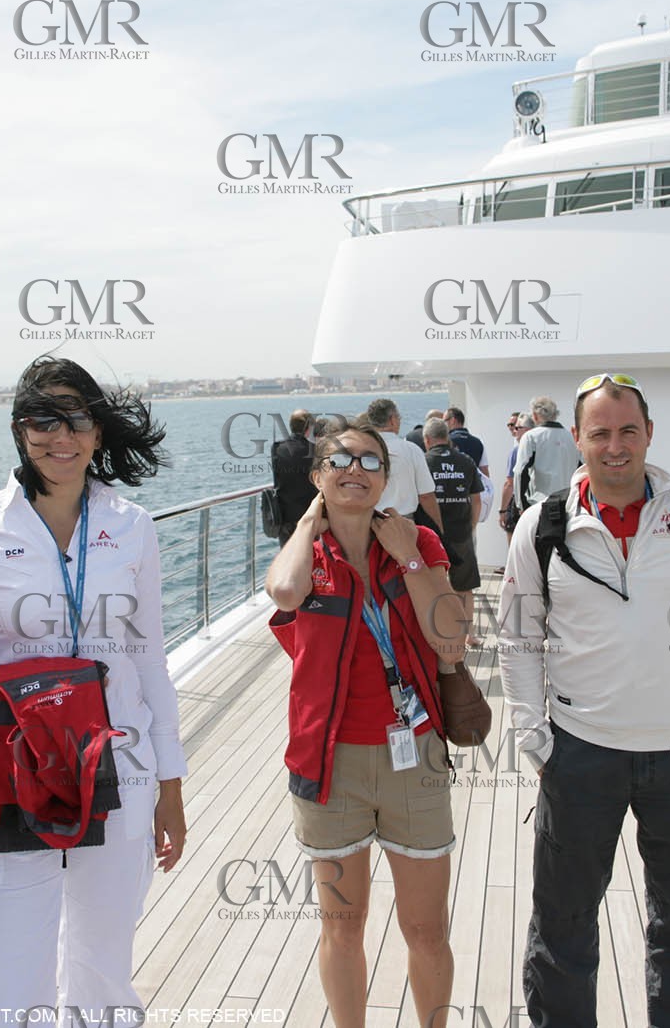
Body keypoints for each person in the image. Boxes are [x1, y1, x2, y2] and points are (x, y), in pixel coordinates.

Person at [0, 356, 188, 1023]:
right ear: (18, 428)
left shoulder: (133, 526)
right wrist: (24, 703)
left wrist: (172, 788)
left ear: (97, 431)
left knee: (102, 972)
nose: (60, 435)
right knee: (7, 976)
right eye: (44, 419)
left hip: (119, 772)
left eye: (77, 419)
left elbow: (150, 664)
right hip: (14, 775)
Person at [498, 373, 670, 1028]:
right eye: (601, 432)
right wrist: (536, 739)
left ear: (648, 434)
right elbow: (518, 640)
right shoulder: (542, 525)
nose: (616, 445)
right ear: (577, 439)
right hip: (580, 753)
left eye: (628, 431)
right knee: (564, 926)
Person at [266, 419, 468, 1028]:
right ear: (317, 474)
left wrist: (407, 555)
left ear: (388, 476)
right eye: (340, 460)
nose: (356, 470)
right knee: (342, 927)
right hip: (329, 766)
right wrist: (307, 522)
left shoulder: (419, 545)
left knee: (426, 929)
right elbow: (282, 592)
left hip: (416, 758)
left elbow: (453, 642)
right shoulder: (307, 553)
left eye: (370, 462)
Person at [423, 418, 486, 647]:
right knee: (465, 586)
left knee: (431, 586)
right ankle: (469, 634)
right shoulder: (466, 461)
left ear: (427, 440)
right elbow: (476, 500)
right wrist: (472, 526)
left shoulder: (423, 462)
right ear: (447, 437)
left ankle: (437, 632)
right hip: (461, 532)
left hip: (431, 536)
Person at [366, 398, 442, 525]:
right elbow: (426, 496)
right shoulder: (412, 450)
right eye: (399, 417)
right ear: (392, 420)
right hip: (404, 523)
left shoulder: (362, 449)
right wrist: (440, 526)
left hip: (368, 524)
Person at [510, 396, 581, 513]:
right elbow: (582, 468)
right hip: (570, 503)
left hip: (541, 504)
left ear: (535, 415)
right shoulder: (571, 437)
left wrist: (521, 506)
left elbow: (520, 472)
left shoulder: (531, 437)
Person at [271, 409, 317, 545]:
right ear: (308, 429)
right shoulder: (314, 449)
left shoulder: (277, 448)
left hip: (285, 515)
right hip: (309, 513)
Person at [498, 413, 534, 535]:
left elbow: (510, 484)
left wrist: (502, 511)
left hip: (520, 504)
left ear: (528, 429)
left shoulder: (517, 451)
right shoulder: (542, 446)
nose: (513, 430)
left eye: (517, 427)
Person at [444, 407, 488, 476]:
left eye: (444, 421)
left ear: (453, 420)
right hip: (473, 483)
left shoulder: (446, 441)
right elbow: (484, 470)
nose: (443, 424)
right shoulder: (478, 442)